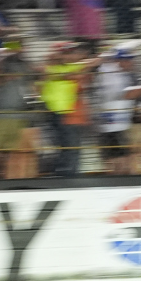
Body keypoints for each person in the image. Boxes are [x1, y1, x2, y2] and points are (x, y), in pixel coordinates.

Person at [40, 42, 101, 179]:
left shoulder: (72, 66)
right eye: (65, 53)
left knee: (71, 146)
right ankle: (64, 175)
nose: (68, 56)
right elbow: (64, 74)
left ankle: (68, 175)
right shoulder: (50, 67)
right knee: (67, 146)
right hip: (55, 114)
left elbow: (93, 62)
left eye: (70, 53)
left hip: (66, 113)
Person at [0, 41, 37, 180]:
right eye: (13, 47)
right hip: (0, 114)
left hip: (19, 115)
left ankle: (1, 181)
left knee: (9, 154)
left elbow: (33, 83)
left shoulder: (25, 65)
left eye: (19, 47)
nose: (17, 50)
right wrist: (4, 76)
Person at [95, 48, 141, 175]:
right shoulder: (109, 74)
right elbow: (124, 95)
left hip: (122, 125)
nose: (130, 63)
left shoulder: (127, 76)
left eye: (130, 60)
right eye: (125, 60)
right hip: (110, 126)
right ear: (117, 61)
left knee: (126, 161)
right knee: (116, 164)